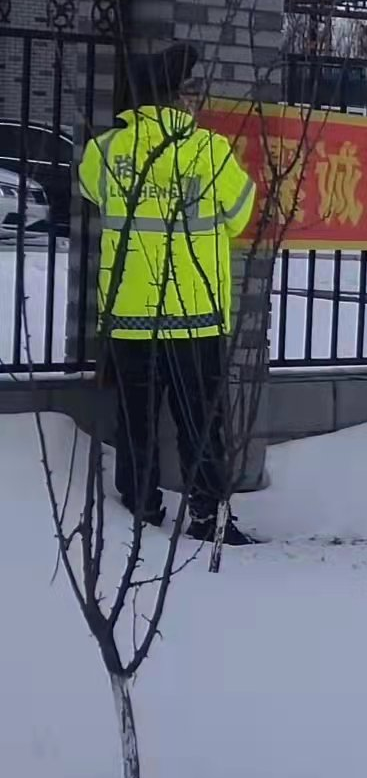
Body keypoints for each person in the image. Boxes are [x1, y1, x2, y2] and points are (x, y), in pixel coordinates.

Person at [78, 43, 260, 543]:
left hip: (128, 314)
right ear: (177, 97)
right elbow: (241, 214)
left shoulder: (106, 150)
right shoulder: (208, 151)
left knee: (135, 419)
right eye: (191, 89)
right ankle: (207, 517)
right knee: (200, 421)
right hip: (194, 313)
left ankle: (139, 509)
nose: (196, 98)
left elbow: (90, 190)